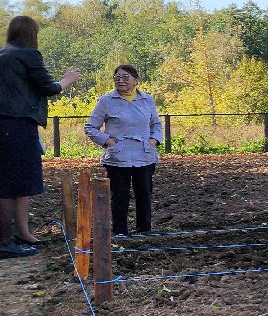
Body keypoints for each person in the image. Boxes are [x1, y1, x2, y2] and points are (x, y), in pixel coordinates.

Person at [0, 15, 82, 258]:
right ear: (31, 35)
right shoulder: (28, 55)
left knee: (19, 181)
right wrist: (67, 80)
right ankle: (4, 242)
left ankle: (23, 233)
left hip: (7, 124)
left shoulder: (3, 54)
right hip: (16, 125)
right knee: (7, 185)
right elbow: (48, 87)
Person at [84, 65, 163, 236]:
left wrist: (153, 141)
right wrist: (108, 141)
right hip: (118, 157)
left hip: (144, 155)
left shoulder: (147, 99)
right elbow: (91, 127)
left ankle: (144, 231)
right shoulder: (106, 101)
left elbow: (156, 124)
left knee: (144, 194)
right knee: (120, 195)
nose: (121, 80)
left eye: (125, 77)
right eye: (117, 77)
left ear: (136, 81)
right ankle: (120, 232)